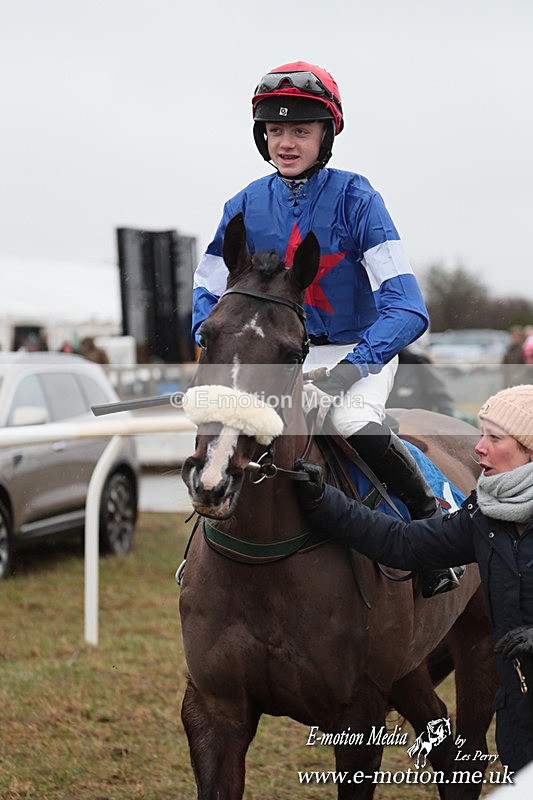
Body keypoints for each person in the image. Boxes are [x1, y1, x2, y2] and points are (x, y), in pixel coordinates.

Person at [192, 62, 449, 537]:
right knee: (223, 423)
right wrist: (222, 351)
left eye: (300, 130)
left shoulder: (359, 198)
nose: (285, 143)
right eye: (274, 130)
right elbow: (207, 294)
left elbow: (410, 309)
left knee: (349, 419)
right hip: (276, 354)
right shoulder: (242, 205)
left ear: (326, 135)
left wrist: (347, 373)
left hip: (358, 350)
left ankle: (429, 523)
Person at [293, 383, 533, 774]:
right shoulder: (486, 514)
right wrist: (325, 502)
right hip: (519, 717)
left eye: (494, 437)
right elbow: (403, 543)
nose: (478, 448)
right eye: (482, 433)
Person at [388, 345, 455, 416]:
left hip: (415, 421)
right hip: (385, 421)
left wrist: (443, 422)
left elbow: (442, 397)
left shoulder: (416, 363)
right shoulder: (379, 365)